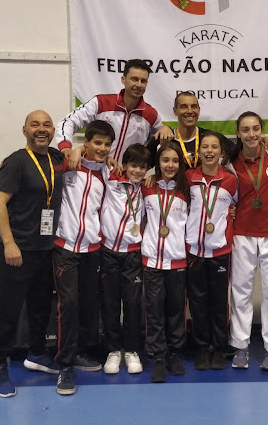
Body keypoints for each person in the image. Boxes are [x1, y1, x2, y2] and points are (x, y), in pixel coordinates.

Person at [0, 110, 65, 398]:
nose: (41, 129)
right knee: (8, 309)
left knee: (40, 306)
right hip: (17, 249)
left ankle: (36, 353)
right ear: (25, 130)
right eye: (35, 125)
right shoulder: (16, 162)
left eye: (46, 125)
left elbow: (79, 153)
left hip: (45, 248)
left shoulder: (56, 159)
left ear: (53, 130)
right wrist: (9, 243)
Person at [52, 120, 114, 395]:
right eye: (97, 143)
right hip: (65, 247)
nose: (102, 148)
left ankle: (81, 351)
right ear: (86, 142)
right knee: (68, 304)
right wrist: (71, 150)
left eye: (107, 144)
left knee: (89, 304)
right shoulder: (68, 165)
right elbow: (44, 164)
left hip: (92, 249)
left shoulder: (108, 175)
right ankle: (65, 365)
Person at [227, 111, 268, 371]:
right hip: (242, 232)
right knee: (240, 292)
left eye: (255, 129)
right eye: (245, 130)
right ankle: (240, 346)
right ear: (238, 134)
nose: (251, 134)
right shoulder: (229, 162)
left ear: (262, 130)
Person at [55, 58, 173, 168]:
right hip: (94, 172)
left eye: (143, 81)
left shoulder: (150, 114)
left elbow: (162, 142)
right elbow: (68, 121)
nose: (138, 85)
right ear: (123, 79)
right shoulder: (101, 102)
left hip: (124, 178)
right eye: (134, 79)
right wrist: (65, 147)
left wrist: (166, 128)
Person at [186, 132, 238, 370]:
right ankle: (202, 347)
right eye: (205, 147)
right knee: (197, 301)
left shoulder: (230, 180)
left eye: (214, 147)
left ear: (222, 152)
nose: (209, 151)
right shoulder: (189, 178)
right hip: (194, 251)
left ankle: (219, 346)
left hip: (219, 251)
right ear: (199, 152)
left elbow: (236, 205)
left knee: (219, 301)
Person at [99, 144, 151, 375]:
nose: (137, 171)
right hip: (109, 252)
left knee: (132, 304)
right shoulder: (111, 180)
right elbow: (92, 159)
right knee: (110, 303)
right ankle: (113, 350)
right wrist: (108, 159)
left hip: (133, 254)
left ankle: (131, 350)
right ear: (125, 165)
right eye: (133, 166)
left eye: (142, 167)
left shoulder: (147, 188)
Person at [141, 142, 190, 383]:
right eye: (165, 160)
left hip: (177, 261)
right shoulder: (147, 188)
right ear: (158, 163)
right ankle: (158, 356)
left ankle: (174, 353)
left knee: (176, 310)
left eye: (175, 161)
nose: (170, 165)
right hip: (152, 260)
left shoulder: (186, 191)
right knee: (154, 309)